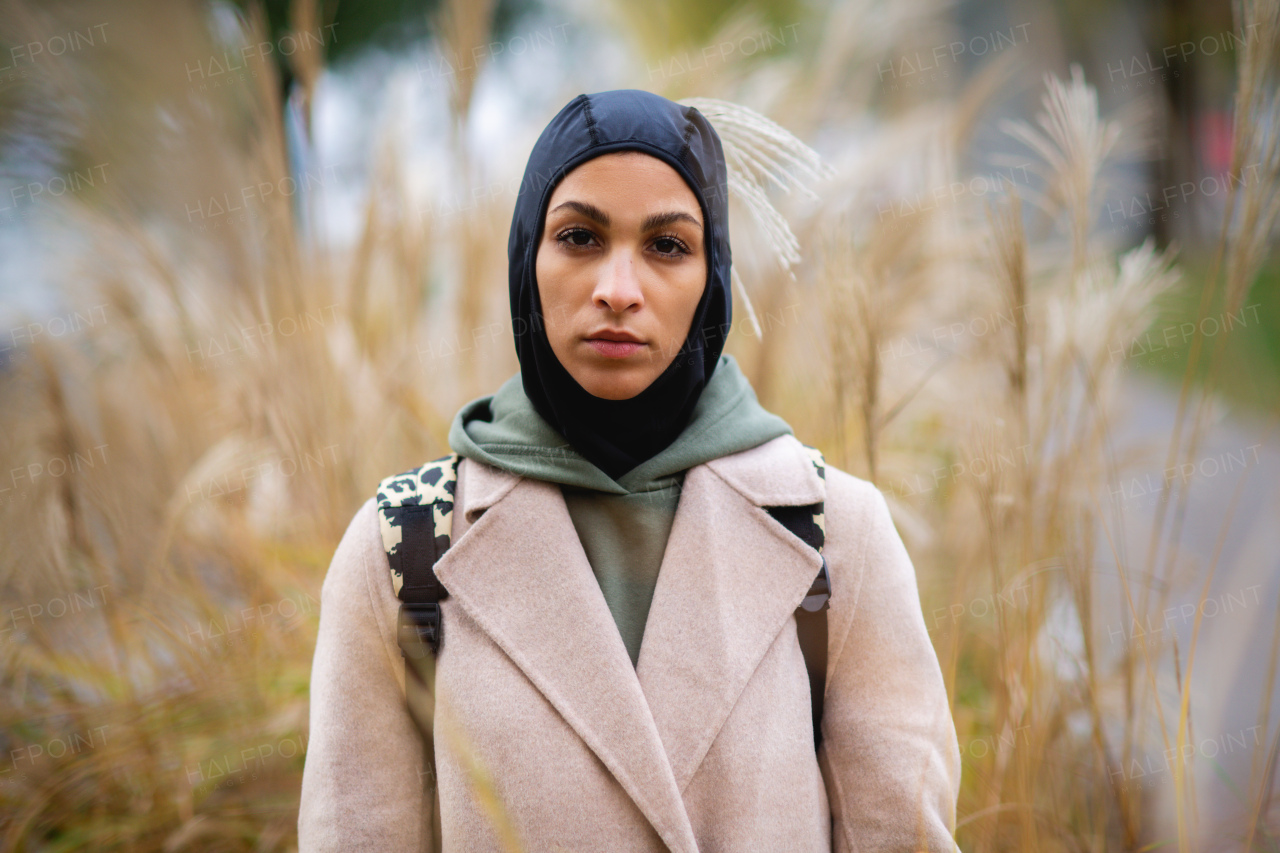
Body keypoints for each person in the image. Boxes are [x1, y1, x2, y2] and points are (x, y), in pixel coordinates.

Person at [298, 89, 961, 852]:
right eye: (580, 236)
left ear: (712, 275)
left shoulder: (836, 532)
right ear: (526, 258)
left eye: (668, 245)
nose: (618, 289)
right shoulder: (403, 545)